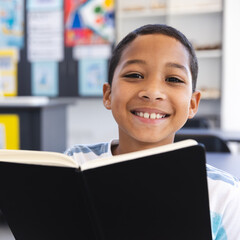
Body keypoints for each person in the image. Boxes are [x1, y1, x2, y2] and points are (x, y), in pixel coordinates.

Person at [65, 24, 240, 239]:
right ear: (108, 94)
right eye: (135, 75)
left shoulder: (224, 196)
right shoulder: (75, 164)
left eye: (173, 79)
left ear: (193, 104)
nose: (152, 92)